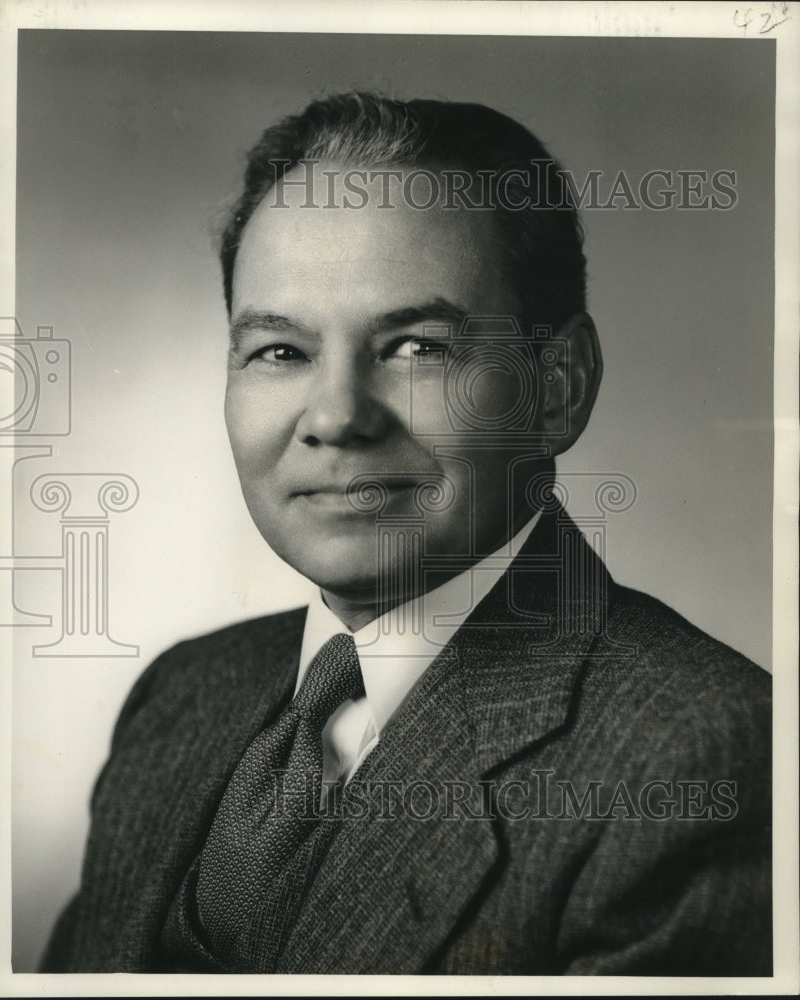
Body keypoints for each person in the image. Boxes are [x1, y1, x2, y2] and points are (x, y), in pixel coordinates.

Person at [40, 92, 771, 976]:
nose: (337, 417)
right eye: (280, 351)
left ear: (558, 388)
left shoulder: (707, 755)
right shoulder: (183, 695)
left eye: (417, 347)